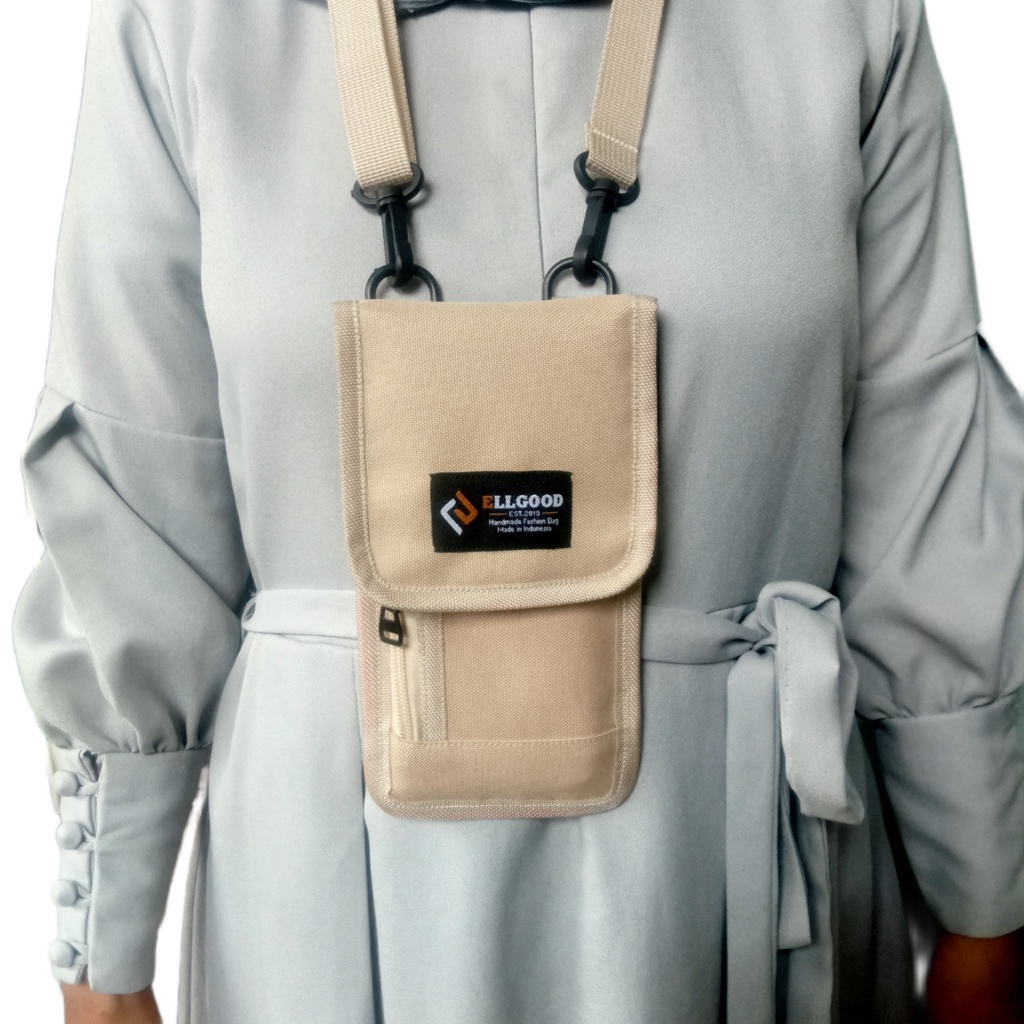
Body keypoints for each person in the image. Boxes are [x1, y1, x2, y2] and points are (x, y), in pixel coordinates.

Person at [13, 0, 1024, 1021]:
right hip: (321, 907)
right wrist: (104, 951)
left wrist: (987, 900)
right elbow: (133, 494)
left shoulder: (837, 20)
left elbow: (926, 466)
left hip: (736, 876)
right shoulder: (186, 23)